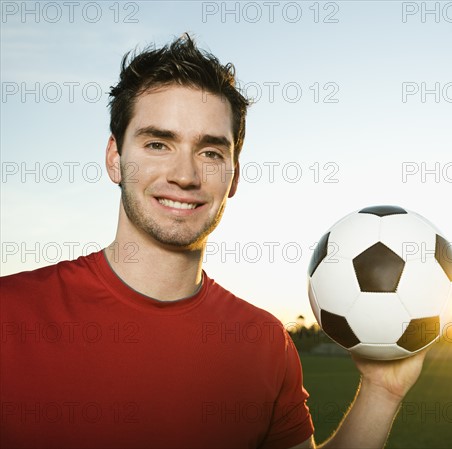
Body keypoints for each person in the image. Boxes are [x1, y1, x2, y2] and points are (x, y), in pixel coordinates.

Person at [0, 34, 428, 449]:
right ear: (115, 158)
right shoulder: (11, 313)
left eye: (211, 152)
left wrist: (380, 391)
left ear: (234, 176)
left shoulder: (264, 344)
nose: (185, 175)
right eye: (157, 143)